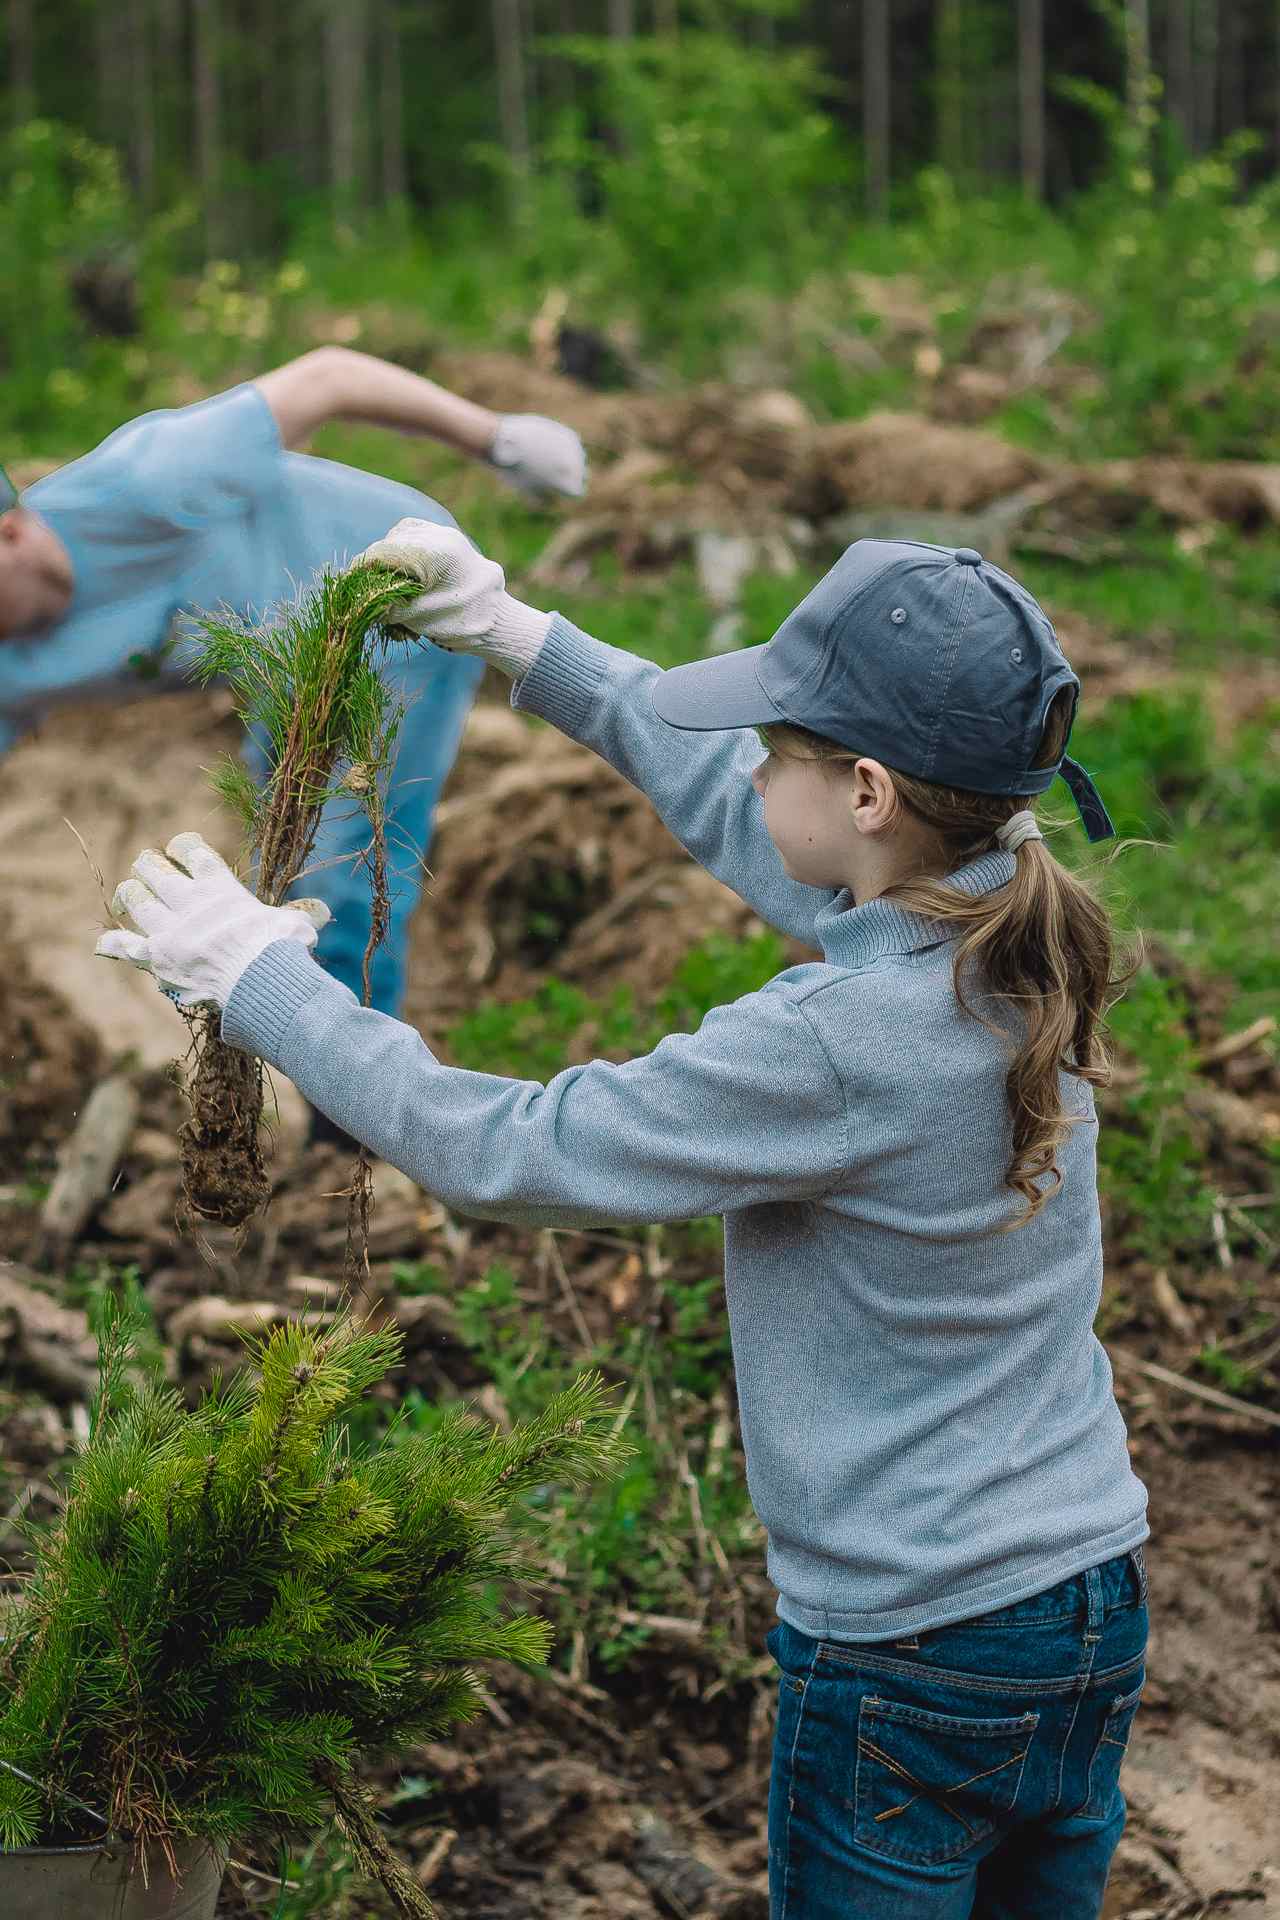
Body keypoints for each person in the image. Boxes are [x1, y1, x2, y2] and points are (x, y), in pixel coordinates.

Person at [98, 527, 1150, 1917]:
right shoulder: (1010, 905)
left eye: (778, 744)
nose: (754, 765)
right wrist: (527, 638)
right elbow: (753, 811)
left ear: (872, 792)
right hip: (1084, 1606)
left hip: (908, 1650)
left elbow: (517, 1152)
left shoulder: (836, 1049)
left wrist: (262, 986)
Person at [0, 346, 586, 1031]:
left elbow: (331, 376)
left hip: (400, 609)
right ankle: (257, 1079)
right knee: (272, 867)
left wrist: (499, 440)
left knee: (352, 866)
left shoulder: (146, 482)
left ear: (11, 532)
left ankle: (355, 1110)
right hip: (281, 666)